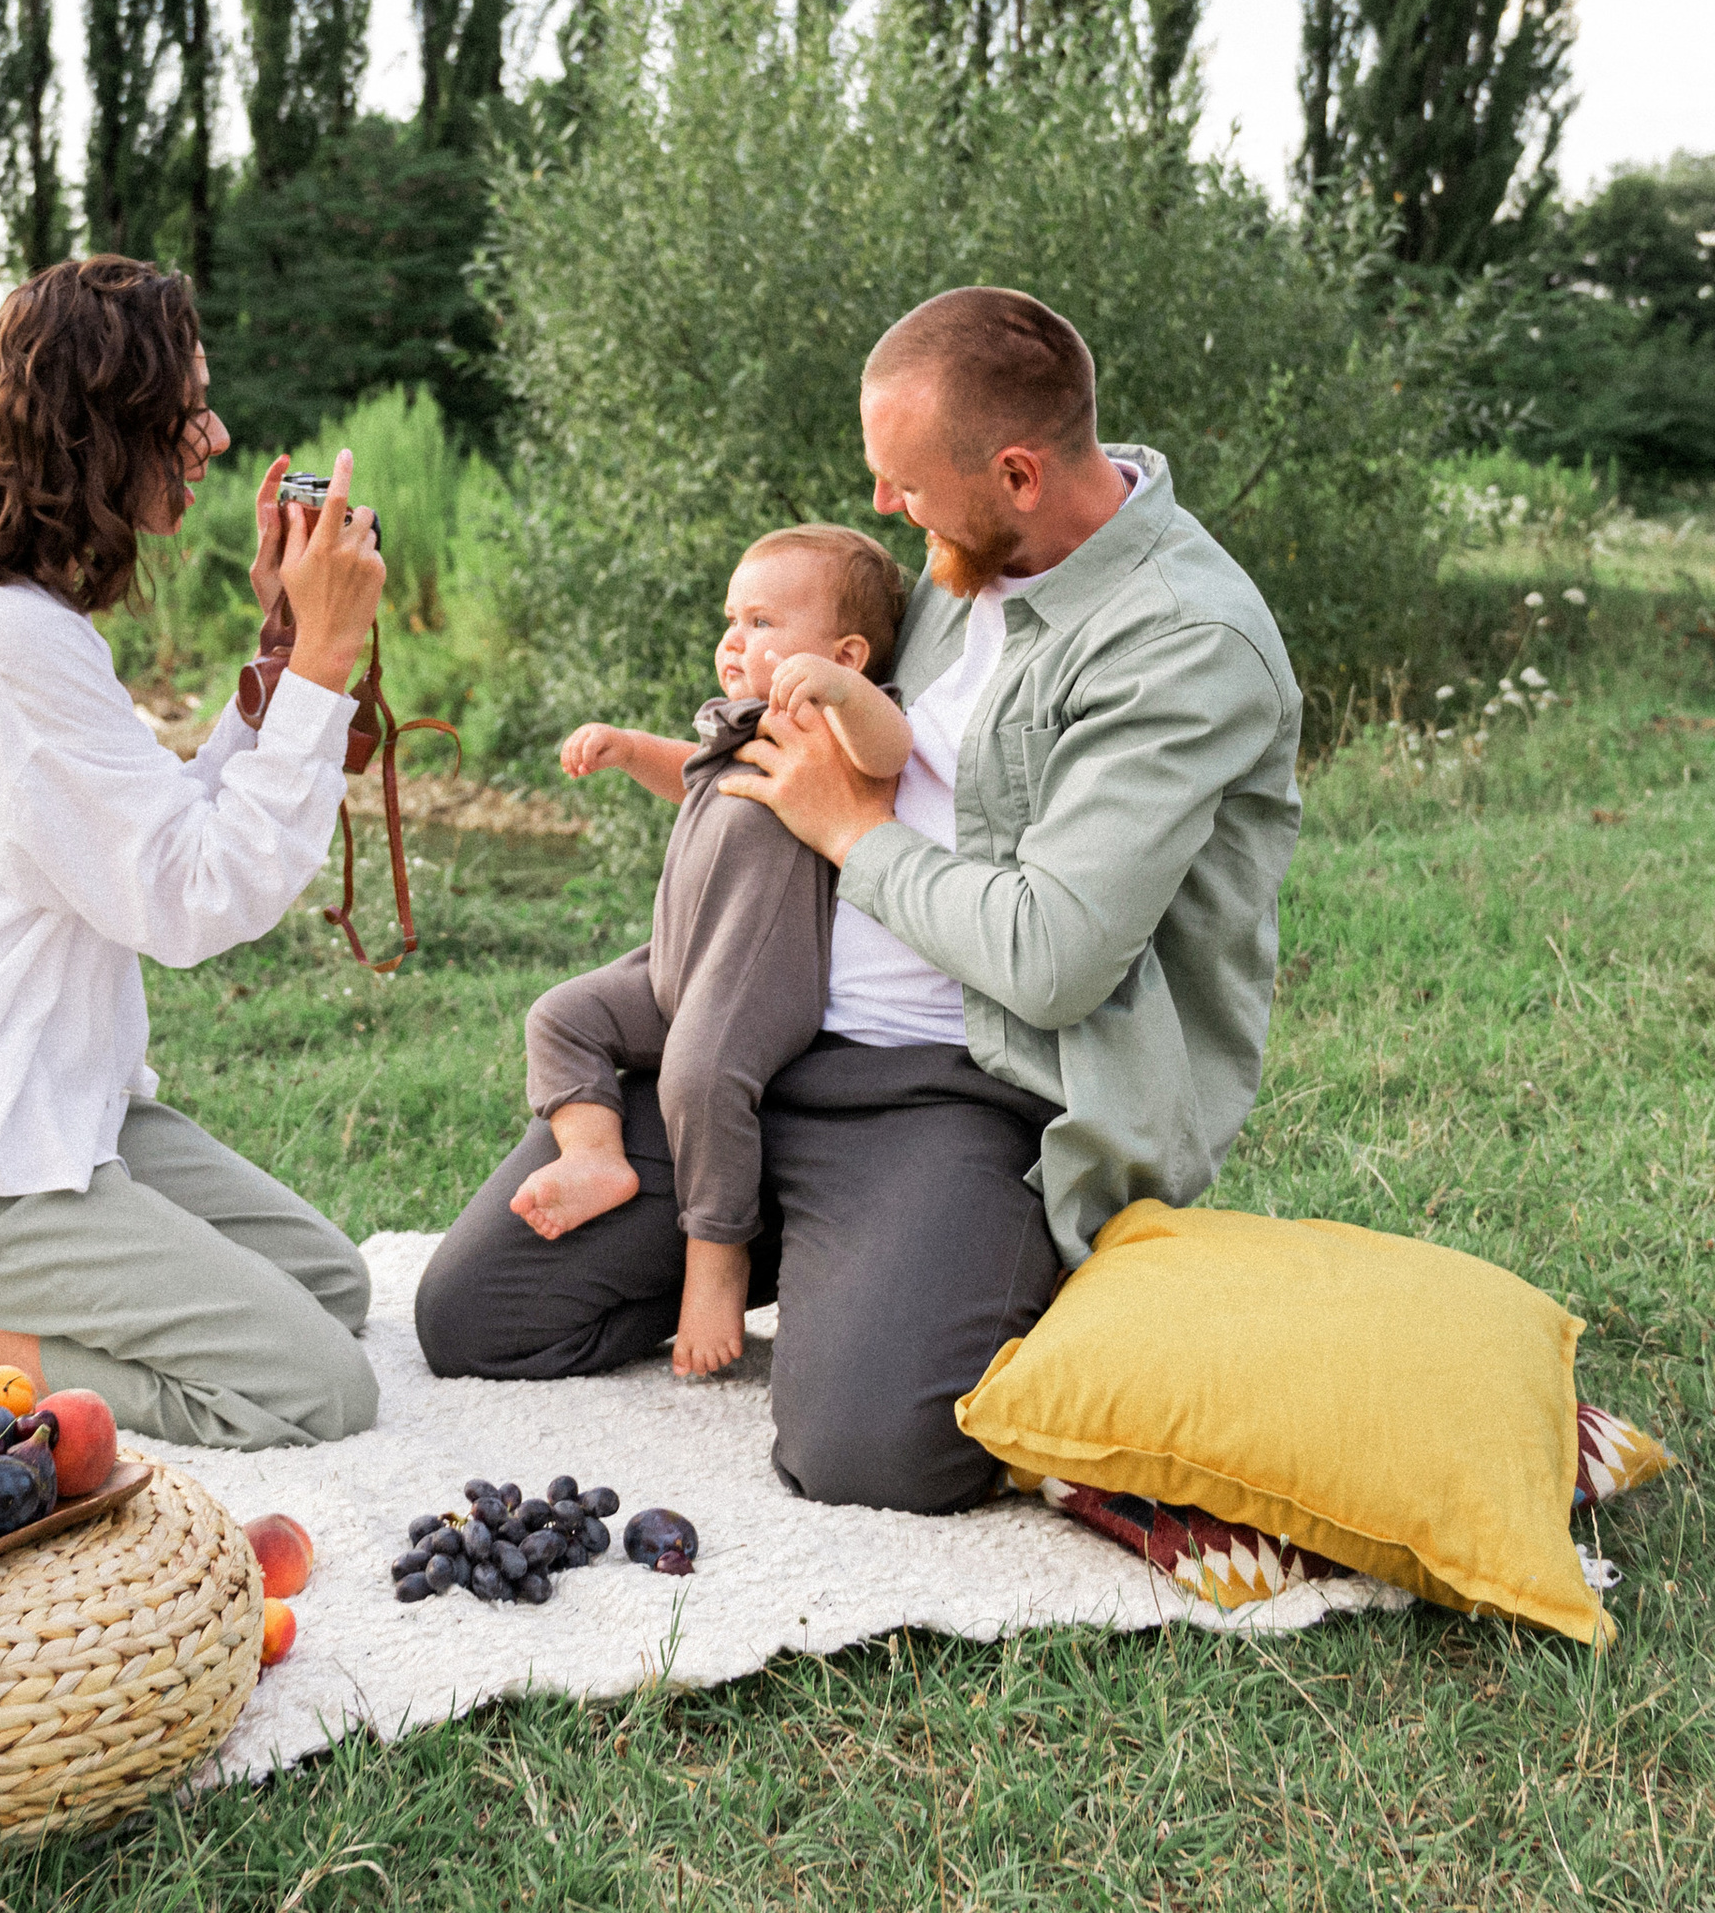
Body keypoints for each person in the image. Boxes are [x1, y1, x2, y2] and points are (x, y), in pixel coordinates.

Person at [415, 287, 1302, 1513]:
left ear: (1018, 472)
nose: (886, 509)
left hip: (960, 1086)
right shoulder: (960, 560)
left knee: (871, 1452)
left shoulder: (1180, 641)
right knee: (480, 1315)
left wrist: (853, 830)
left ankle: (969, 1270)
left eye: (909, 483)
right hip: (760, 1038)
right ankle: (808, 1246)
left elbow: (1053, 959)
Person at [0, 254, 389, 1450]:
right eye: (184, 409)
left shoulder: (4, 613)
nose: (211, 434)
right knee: (313, 1387)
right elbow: (196, 898)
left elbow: (159, 833)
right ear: (103, 431)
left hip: (46, 1109)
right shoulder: (2, 642)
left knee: (331, 1288)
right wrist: (324, 662)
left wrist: (279, 654)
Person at [512, 525, 915, 1378]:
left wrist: (844, 691)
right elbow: (695, 774)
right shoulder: (736, 728)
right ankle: (595, 1156)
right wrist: (627, 751)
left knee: (697, 1078)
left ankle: (717, 1254)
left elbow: (891, 751)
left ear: (845, 652)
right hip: (676, 967)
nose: (735, 638)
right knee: (561, 1016)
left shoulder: (834, 727)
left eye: (763, 622)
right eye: (733, 618)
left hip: (754, 984)